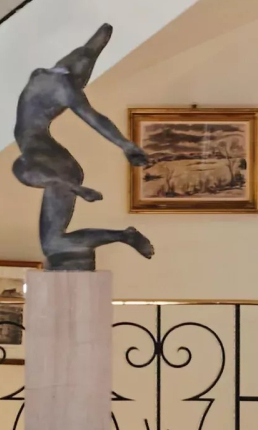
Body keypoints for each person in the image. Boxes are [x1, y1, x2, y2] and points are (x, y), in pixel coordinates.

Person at [10, 23, 156, 271]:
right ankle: (123, 234)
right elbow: (94, 113)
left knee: (22, 170)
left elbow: (90, 52)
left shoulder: (44, 75)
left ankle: (76, 190)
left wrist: (125, 144)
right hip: (54, 160)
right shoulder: (66, 87)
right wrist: (124, 145)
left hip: (46, 160)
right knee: (55, 243)